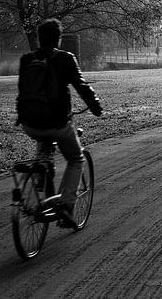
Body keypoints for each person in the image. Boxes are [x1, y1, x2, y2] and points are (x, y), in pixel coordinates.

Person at [17, 18, 103, 224]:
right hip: (57, 123)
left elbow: (23, 91)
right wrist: (96, 107)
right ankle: (65, 205)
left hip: (30, 123)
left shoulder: (27, 59)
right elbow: (82, 86)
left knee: (45, 147)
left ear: (38, 38)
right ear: (59, 39)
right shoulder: (65, 58)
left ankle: (41, 173)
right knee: (76, 159)